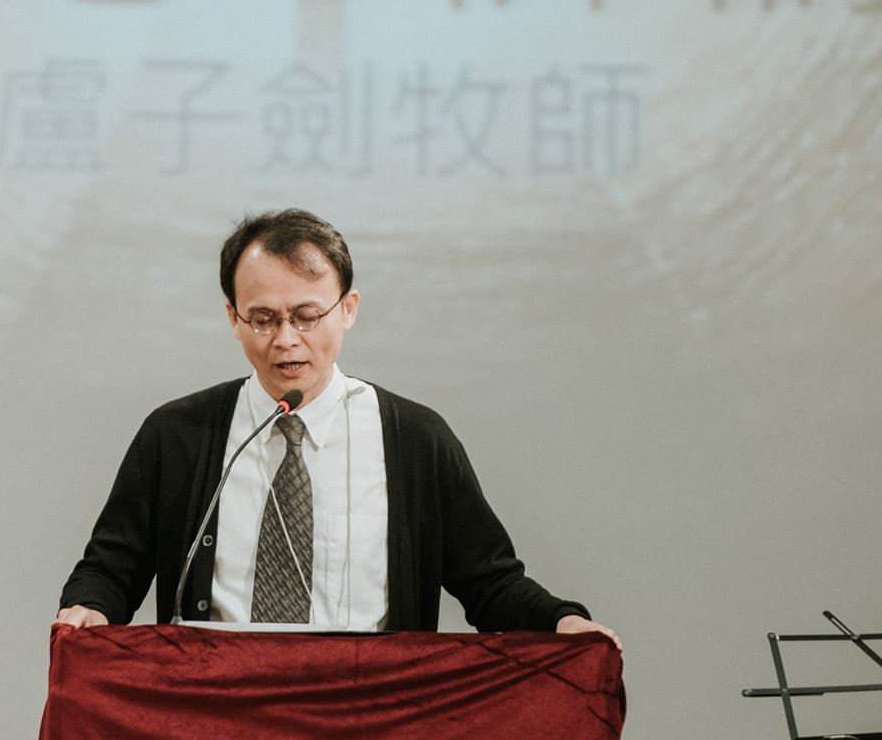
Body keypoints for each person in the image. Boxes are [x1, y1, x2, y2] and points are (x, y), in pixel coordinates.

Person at [54, 209, 621, 647]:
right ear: (233, 318)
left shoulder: (415, 441)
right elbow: (111, 568)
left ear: (348, 309)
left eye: (307, 316)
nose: (286, 340)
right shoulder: (177, 435)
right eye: (263, 318)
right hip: (216, 717)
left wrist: (560, 621)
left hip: (365, 723)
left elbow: (489, 582)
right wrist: (89, 608)